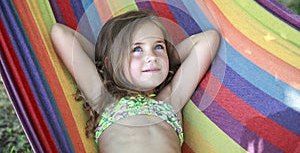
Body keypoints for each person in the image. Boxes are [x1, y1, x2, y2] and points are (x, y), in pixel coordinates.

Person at [50, 10, 220, 152]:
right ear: (111, 63)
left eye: (158, 46)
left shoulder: (171, 99)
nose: (151, 56)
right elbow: (60, 33)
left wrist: (165, 59)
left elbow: (209, 40)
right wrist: (108, 65)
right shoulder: (103, 98)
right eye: (137, 49)